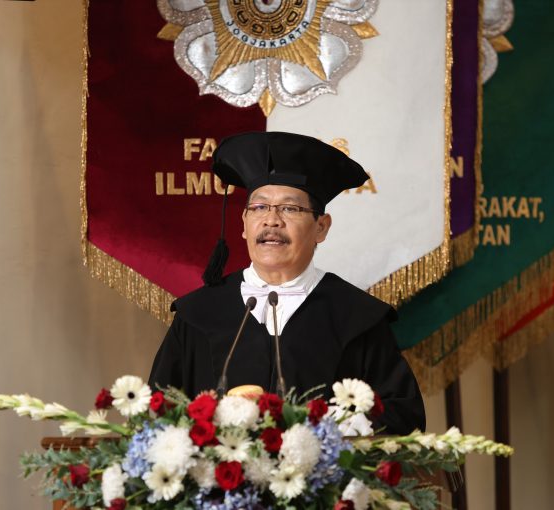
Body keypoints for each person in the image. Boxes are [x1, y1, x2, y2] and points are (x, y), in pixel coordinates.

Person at [149, 131, 425, 434]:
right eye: (259, 207)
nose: (272, 220)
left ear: (321, 227)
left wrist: (337, 429)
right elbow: (157, 417)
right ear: (244, 224)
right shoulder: (199, 313)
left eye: (290, 208)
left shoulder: (357, 317)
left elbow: (403, 417)